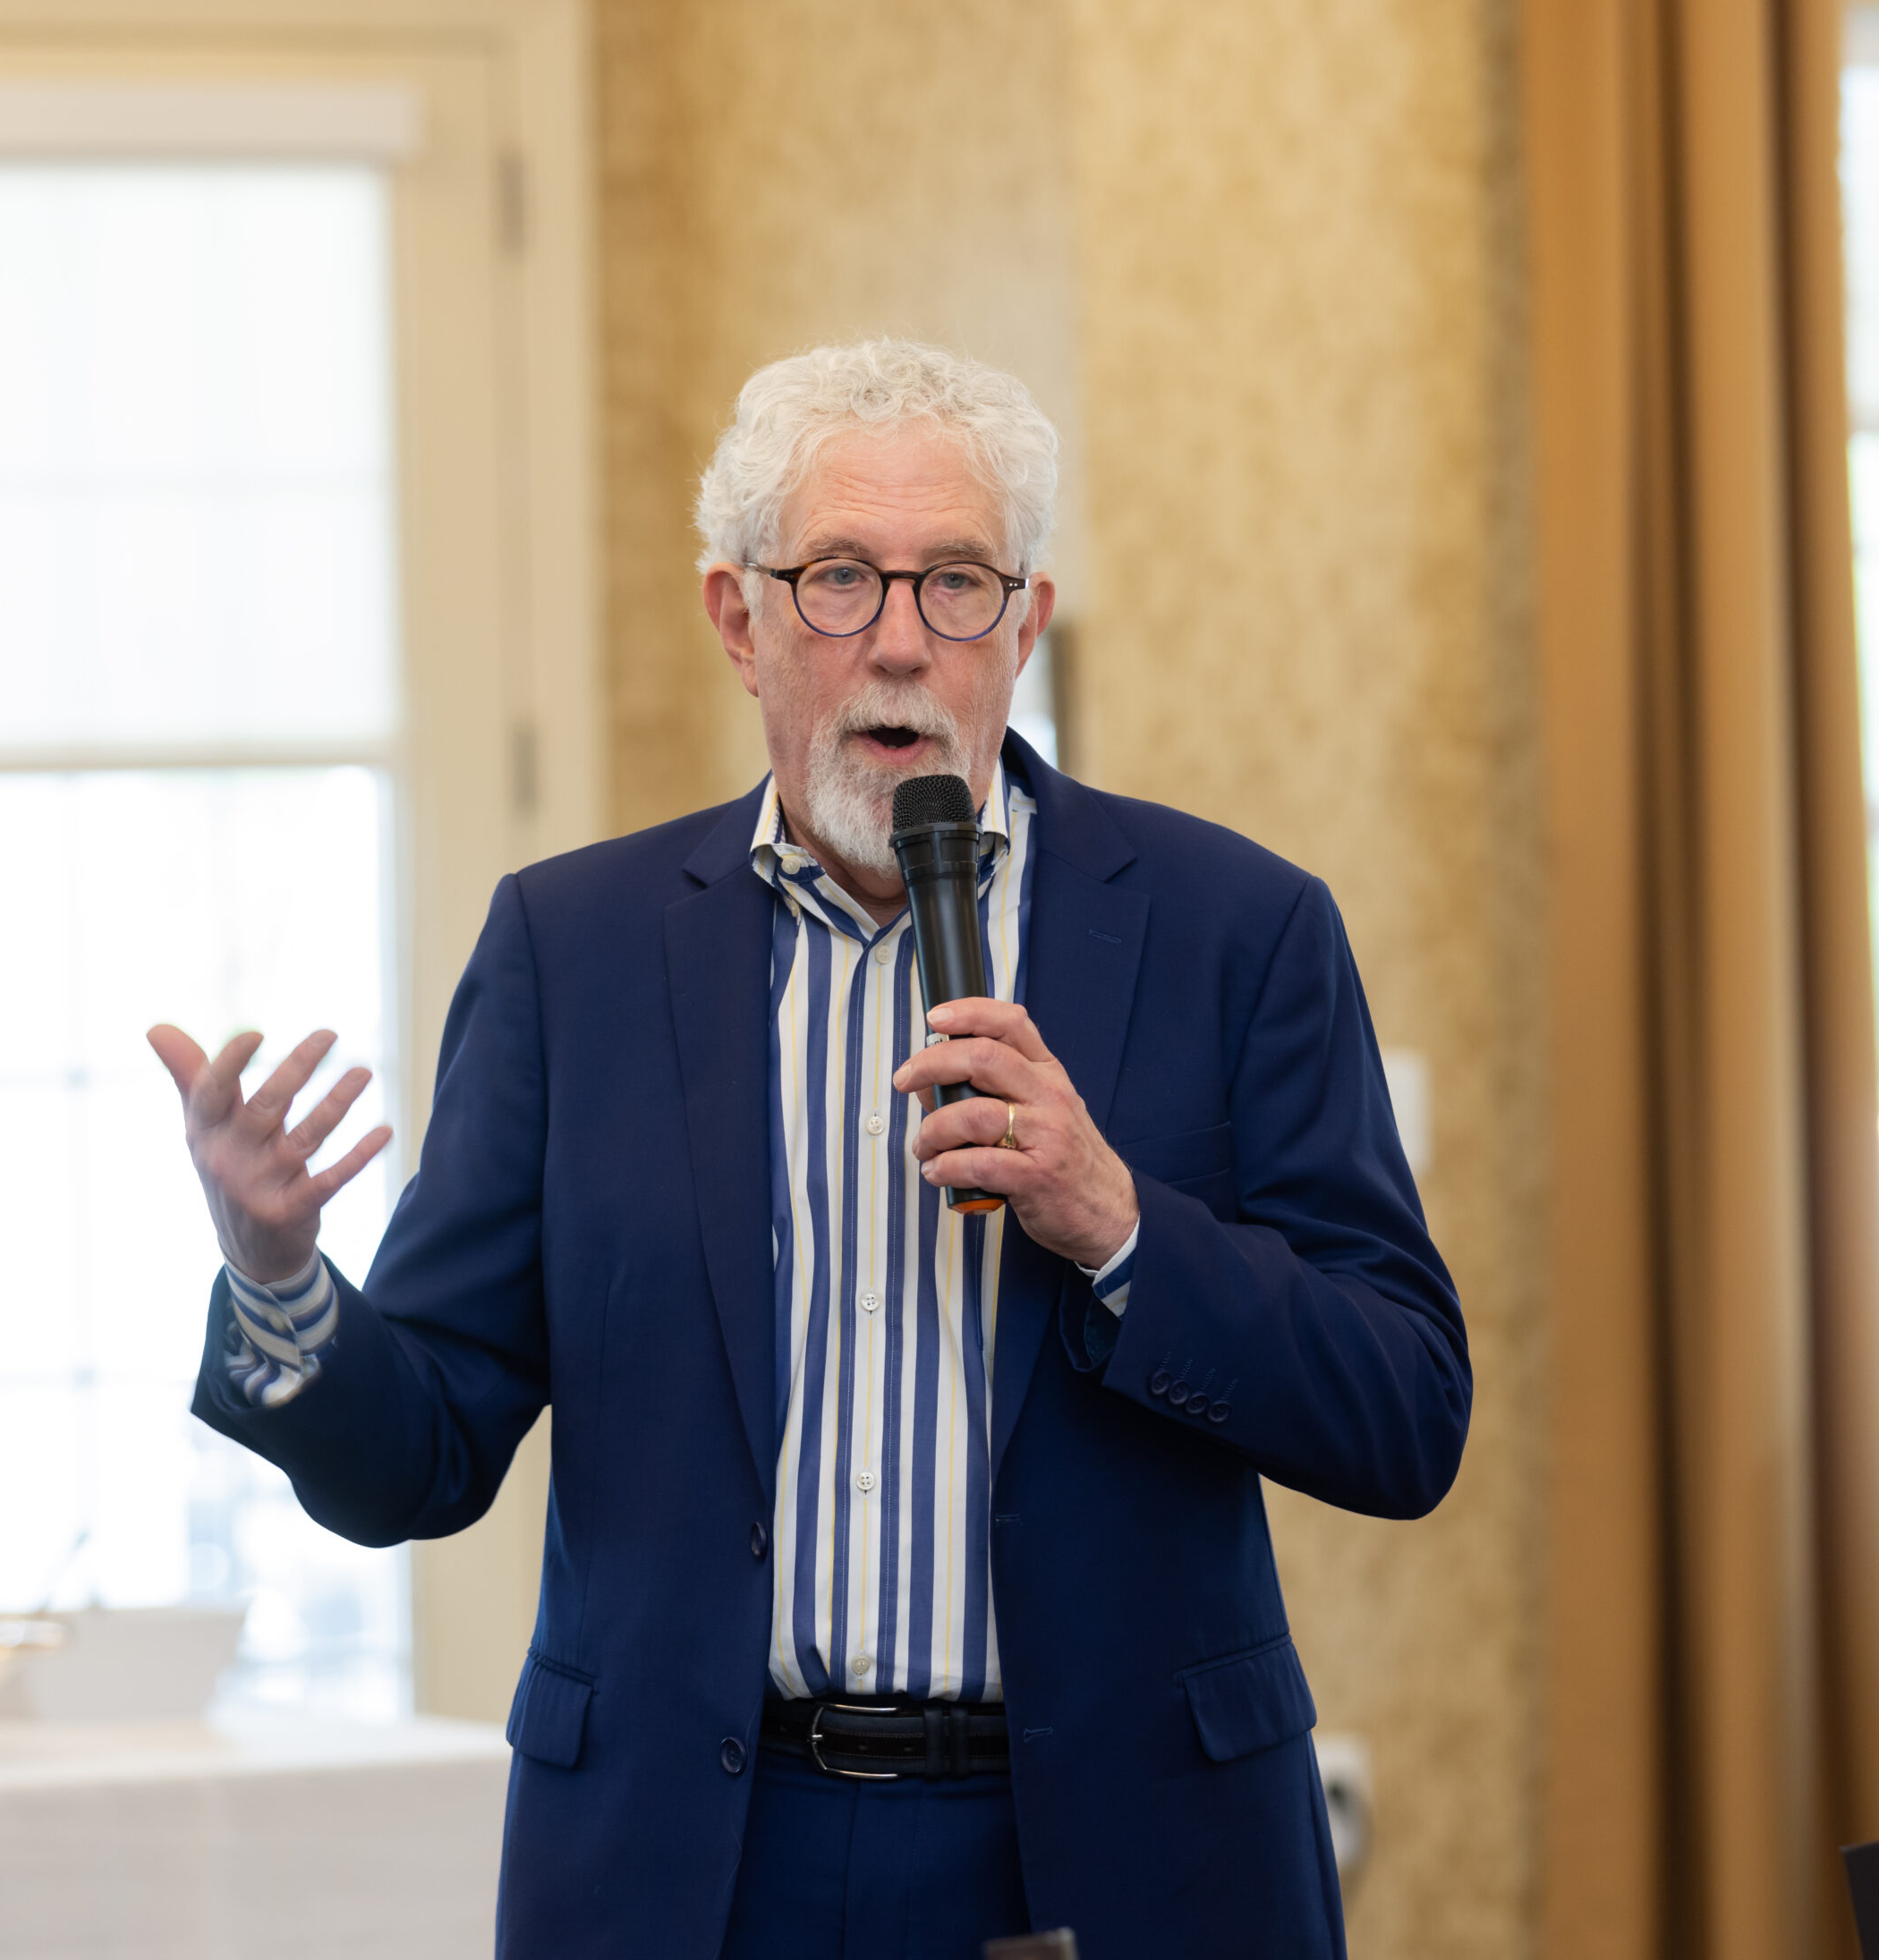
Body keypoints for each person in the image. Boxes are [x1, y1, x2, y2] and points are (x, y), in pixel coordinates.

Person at [151, 339, 1467, 1959]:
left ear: (1024, 626)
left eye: (959, 584)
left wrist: (1119, 1221)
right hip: (694, 1861)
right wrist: (282, 1277)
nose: (903, 644)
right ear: (739, 618)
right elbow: (418, 1455)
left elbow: (1406, 1414)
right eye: (841, 578)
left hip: (1120, 1859)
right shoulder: (576, 952)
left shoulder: (1236, 930)